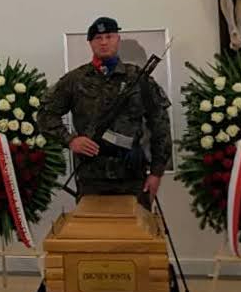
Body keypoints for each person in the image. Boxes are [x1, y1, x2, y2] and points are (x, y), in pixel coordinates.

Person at [37, 17, 172, 203]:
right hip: (91, 177)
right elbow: (46, 114)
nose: (104, 42)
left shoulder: (138, 78)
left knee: (135, 222)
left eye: (109, 36)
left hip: (133, 176)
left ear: (118, 39)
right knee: (92, 222)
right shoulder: (75, 80)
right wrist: (70, 140)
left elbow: (160, 126)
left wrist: (156, 173)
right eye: (98, 38)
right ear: (90, 43)